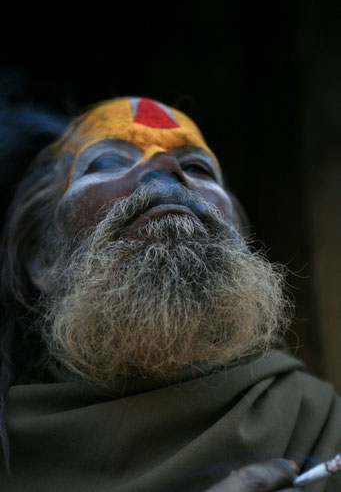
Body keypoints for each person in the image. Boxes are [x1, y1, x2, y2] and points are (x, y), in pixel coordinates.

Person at [0, 97, 340, 491]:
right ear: (44, 257)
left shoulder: (311, 418)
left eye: (196, 166)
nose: (165, 166)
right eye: (107, 162)